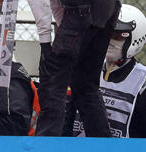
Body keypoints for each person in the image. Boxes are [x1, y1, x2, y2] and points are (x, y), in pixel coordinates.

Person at [33, 0, 120, 136]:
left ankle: (46, 148)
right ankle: (103, 148)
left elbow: (39, 3)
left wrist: (45, 43)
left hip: (80, 9)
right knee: (85, 84)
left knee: (53, 83)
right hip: (109, 7)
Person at [69, 4, 146, 137]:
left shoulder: (141, 82)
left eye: (117, 36)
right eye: (105, 33)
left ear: (135, 39)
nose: (109, 40)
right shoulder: (83, 70)